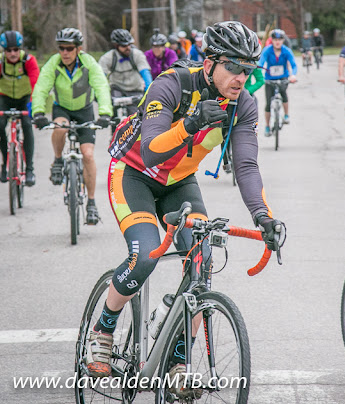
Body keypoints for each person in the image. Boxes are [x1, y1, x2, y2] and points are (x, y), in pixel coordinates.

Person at [84, 22, 285, 391]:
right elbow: (150, 149)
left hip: (179, 183)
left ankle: (177, 363)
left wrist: (263, 217)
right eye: (234, 66)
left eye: (249, 69)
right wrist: (190, 123)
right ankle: (103, 329)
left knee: (200, 261)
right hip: (134, 174)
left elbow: (246, 166)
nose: (242, 77)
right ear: (210, 63)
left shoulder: (243, 105)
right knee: (145, 255)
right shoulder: (172, 84)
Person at [32, 28, 112, 225]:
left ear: (78, 49)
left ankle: (91, 203)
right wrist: (38, 112)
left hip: (84, 110)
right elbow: (42, 87)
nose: (65, 52)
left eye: (69, 48)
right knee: (60, 127)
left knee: (88, 155)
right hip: (63, 109)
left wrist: (105, 113)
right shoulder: (54, 63)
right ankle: (58, 161)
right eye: (61, 48)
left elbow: (101, 86)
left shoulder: (88, 63)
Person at [0, 30, 39, 185]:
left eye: (16, 49)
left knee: (27, 125)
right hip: (5, 98)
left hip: (25, 98)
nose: (13, 53)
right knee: (0, 125)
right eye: (9, 50)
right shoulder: (1, 62)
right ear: (4, 51)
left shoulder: (28, 61)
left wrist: (33, 105)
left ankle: (29, 169)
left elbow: (36, 84)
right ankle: (5, 164)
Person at [99, 29, 152, 116]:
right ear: (116, 46)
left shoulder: (137, 55)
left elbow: (145, 73)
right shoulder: (108, 58)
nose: (128, 48)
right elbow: (100, 78)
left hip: (135, 89)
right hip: (117, 89)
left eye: (129, 44)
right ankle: (114, 126)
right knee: (112, 114)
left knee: (136, 117)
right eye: (124, 46)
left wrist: (149, 92)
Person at [257, 29, 297, 137]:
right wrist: (259, 72)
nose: (277, 42)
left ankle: (286, 115)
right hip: (270, 79)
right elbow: (261, 63)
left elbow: (293, 65)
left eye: (279, 39)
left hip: (283, 77)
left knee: (283, 92)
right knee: (268, 103)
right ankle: (267, 126)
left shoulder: (286, 51)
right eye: (275, 39)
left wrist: (293, 75)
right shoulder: (267, 50)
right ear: (272, 40)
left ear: (283, 40)